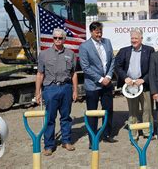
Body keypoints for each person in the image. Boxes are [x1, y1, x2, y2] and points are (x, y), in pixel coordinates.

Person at [35, 28, 78, 156]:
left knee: (66, 117)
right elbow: (40, 74)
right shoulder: (44, 54)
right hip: (50, 89)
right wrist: (37, 92)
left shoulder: (71, 54)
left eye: (60, 38)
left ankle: (66, 141)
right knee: (50, 118)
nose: (58, 40)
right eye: (55, 38)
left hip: (66, 88)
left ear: (64, 39)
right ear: (52, 39)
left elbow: (73, 73)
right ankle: (49, 145)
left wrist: (75, 90)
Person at [79, 21, 117, 144]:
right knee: (92, 113)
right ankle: (93, 139)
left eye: (100, 31)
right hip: (93, 85)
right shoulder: (84, 46)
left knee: (108, 110)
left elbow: (112, 60)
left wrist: (109, 76)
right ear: (91, 32)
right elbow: (85, 67)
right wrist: (101, 79)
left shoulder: (108, 42)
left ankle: (106, 134)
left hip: (107, 83)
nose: (99, 34)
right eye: (96, 32)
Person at [115, 29, 155, 140]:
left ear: (141, 39)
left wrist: (144, 79)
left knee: (147, 109)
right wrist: (125, 77)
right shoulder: (124, 51)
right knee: (133, 111)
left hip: (144, 85)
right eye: (132, 38)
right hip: (130, 86)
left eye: (136, 38)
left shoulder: (149, 50)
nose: (134, 40)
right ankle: (134, 133)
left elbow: (153, 68)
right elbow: (117, 66)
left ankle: (147, 132)